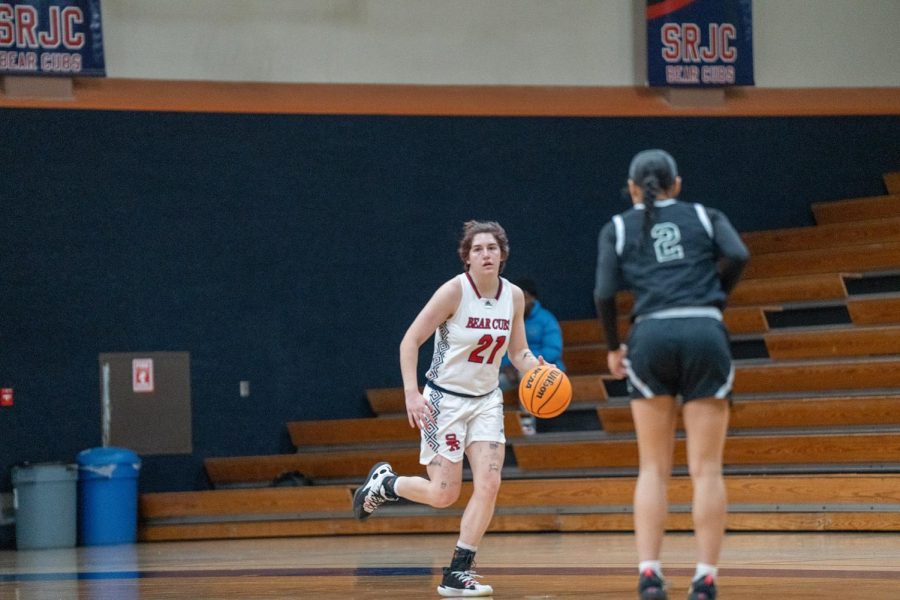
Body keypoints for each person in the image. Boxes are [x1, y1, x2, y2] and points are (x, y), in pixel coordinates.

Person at [352, 220, 548, 598]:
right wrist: (411, 393)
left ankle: (459, 570)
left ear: (502, 254)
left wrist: (538, 370)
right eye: (478, 249)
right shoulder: (454, 292)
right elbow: (410, 341)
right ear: (467, 258)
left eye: (492, 248)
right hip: (446, 400)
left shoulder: (514, 297)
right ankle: (386, 484)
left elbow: (518, 351)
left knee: (490, 483)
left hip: (487, 400)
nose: (486, 254)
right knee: (444, 494)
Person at [593, 150, 749, 600]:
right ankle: (705, 577)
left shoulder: (618, 227)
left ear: (634, 188)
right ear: (676, 184)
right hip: (704, 331)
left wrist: (610, 347)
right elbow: (739, 254)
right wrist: (715, 297)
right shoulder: (704, 215)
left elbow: (604, 293)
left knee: (653, 468)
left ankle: (649, 573)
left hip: (650, 337)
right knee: (706, 469)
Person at [498, 277, 566, 434]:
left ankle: (527, 424)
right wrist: (506, 365)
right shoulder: (509, 318)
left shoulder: (546, 319)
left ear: (528, 297)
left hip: (546, 370)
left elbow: (554, 350)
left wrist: (523, 362)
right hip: (512, 369)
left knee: (527, 375)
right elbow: (501, 347)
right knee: (488, 381)